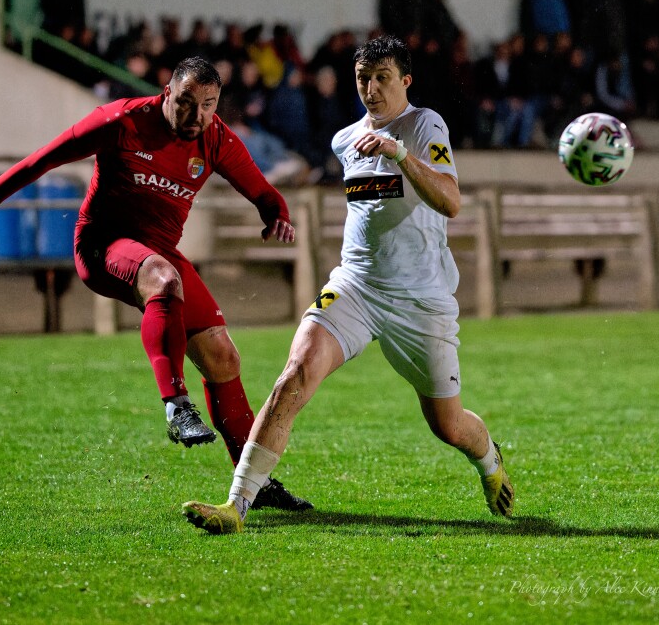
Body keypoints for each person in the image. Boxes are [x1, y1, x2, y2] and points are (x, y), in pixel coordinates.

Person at [183, 36, 514, 534]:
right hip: (355, 287)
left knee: (447, 425)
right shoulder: (344, 140)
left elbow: (450, 201)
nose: (372, 88)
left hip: (420, 300)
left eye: (383, 77)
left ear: (406, 80)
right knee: (293, 374)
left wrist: (400, 153)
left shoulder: (425, 126)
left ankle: (490, 463)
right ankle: (237, 505)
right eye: (363, 78)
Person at [0, 56, 312, 511]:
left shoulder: (215, 137)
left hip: (160, 251)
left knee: (223, 357)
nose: (196, 115)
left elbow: (261, 190)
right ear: (167, 92)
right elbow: (46, 157)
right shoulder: (123, 120)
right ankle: (176, 404)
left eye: (208, 104)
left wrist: (275, 214)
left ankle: (253, 483)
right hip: (103, 245)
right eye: (186, 102)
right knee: (163, 279)